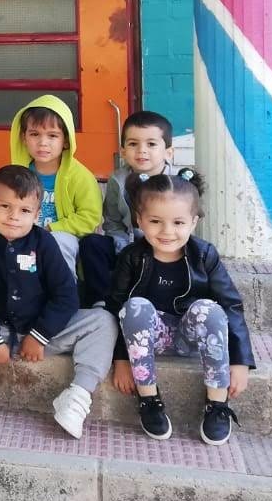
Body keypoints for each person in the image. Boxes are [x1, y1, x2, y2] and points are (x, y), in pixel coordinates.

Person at [0, 165, 117, 439]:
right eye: (5, 206)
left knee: (103, 321)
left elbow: (67, 296)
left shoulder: (45, 243)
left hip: (42, 334)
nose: (14, 216)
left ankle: (77, 395)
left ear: (37, 215)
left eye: (25, 210)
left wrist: (40, 335)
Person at [108, 170, 253, 445]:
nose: (167, 231)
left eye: (178, 222)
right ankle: (149, 399)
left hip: (191, 336)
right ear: (139, 219)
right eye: (155, 221)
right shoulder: (131, 257)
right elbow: (116, 308)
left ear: (193, 222)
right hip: (151, 337)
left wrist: (240, 360)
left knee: (209, 309)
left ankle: (217, 404)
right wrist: (121, 358)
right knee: (134, 306)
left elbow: (231, 305)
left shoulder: (204, 254)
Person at [76, 110, 178, 308]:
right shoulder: (117, 180)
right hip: (126, 244)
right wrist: (123, 247)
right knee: (92, 243)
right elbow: (113, 221)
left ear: (168, 152)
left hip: (163, 246)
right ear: (123, 151)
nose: (141, 151)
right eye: (133, 144)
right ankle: (100, 302)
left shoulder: (177, 184)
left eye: (151, 144)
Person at [8, 94, 101, 275]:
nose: (43, 143)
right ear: (23, 137)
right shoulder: (17, 175)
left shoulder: (80, 177)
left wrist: (51, 228)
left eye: (52, 135)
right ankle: (20, 288)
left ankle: (64, 290)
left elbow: (90, 217)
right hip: (24, 232)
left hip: (64, 236)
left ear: (65, 140)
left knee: (57, 243)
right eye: (34, 134)